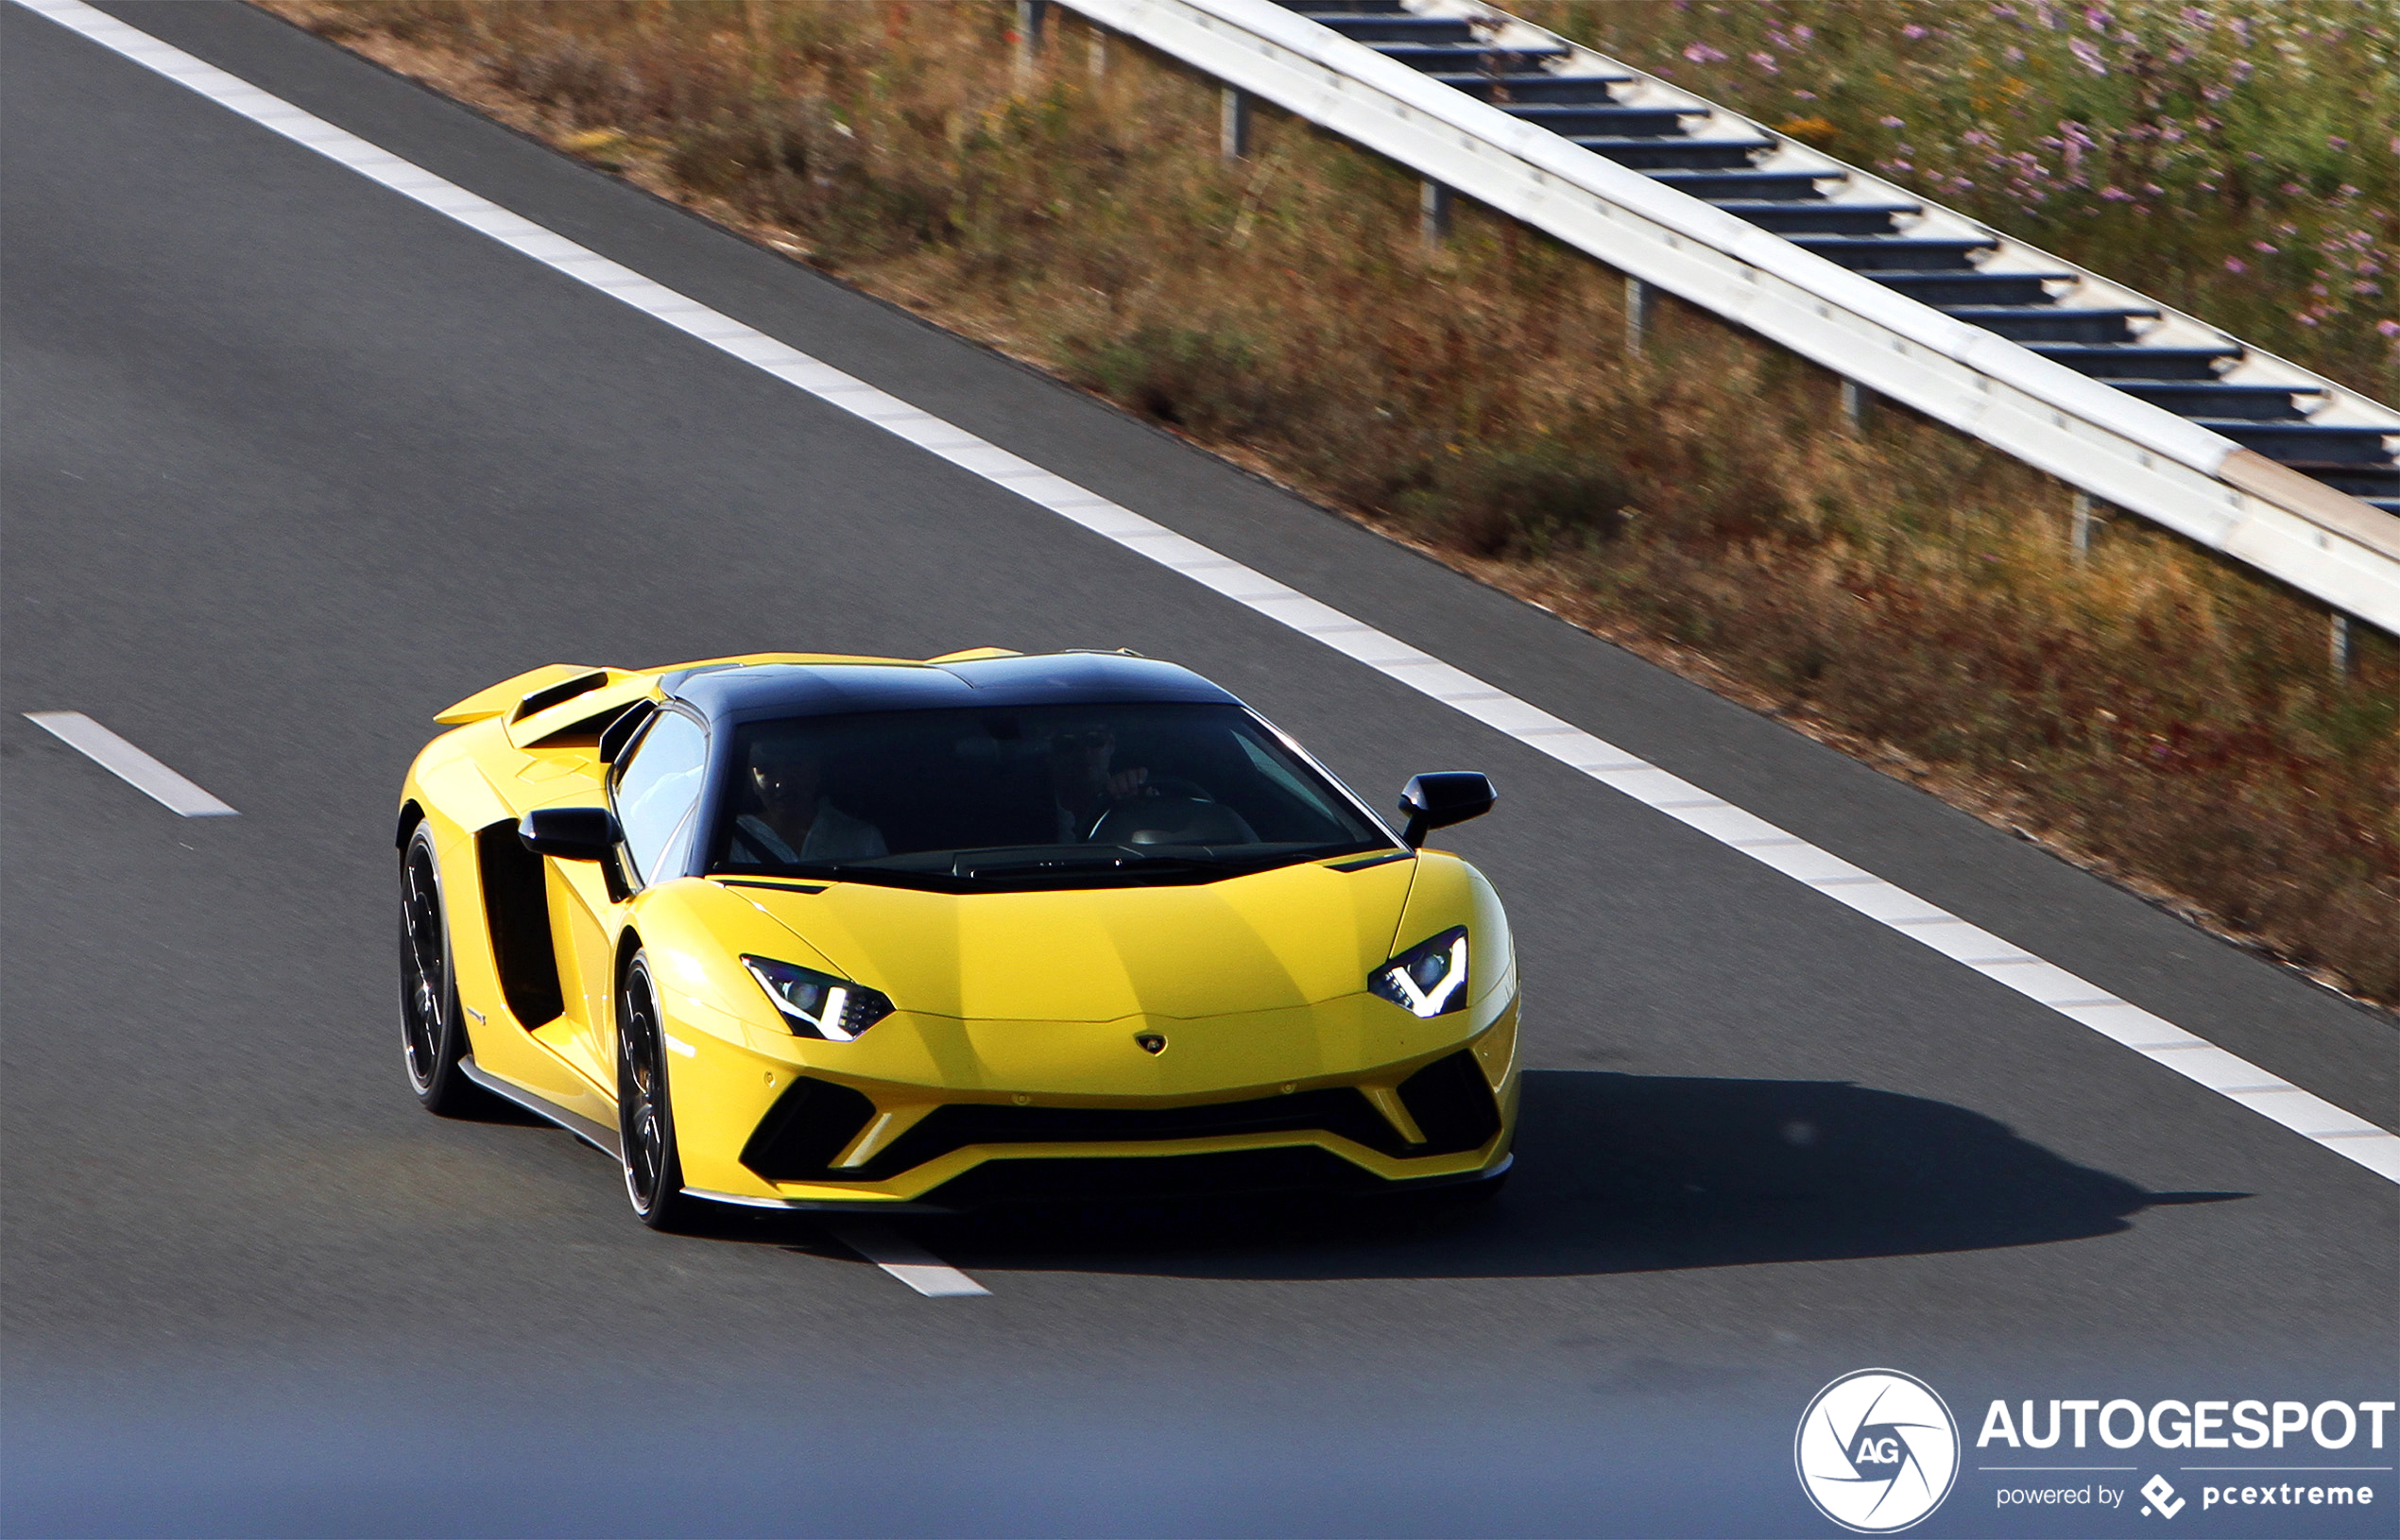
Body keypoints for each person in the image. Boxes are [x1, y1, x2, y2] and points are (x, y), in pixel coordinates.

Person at [728, 736, 886, 866]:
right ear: (752, 781)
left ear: (816, 771)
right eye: (766, 771)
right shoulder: (730, 839)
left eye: (794, 767)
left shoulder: (861, 838)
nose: (781, 783)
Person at [1046, 721, 1148, 842]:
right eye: (1068, 743)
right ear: (1053, 750)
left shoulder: (1135, 796)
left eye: (1094, 740)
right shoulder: (1028, 809)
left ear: (1111, 745)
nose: (1084, 751)